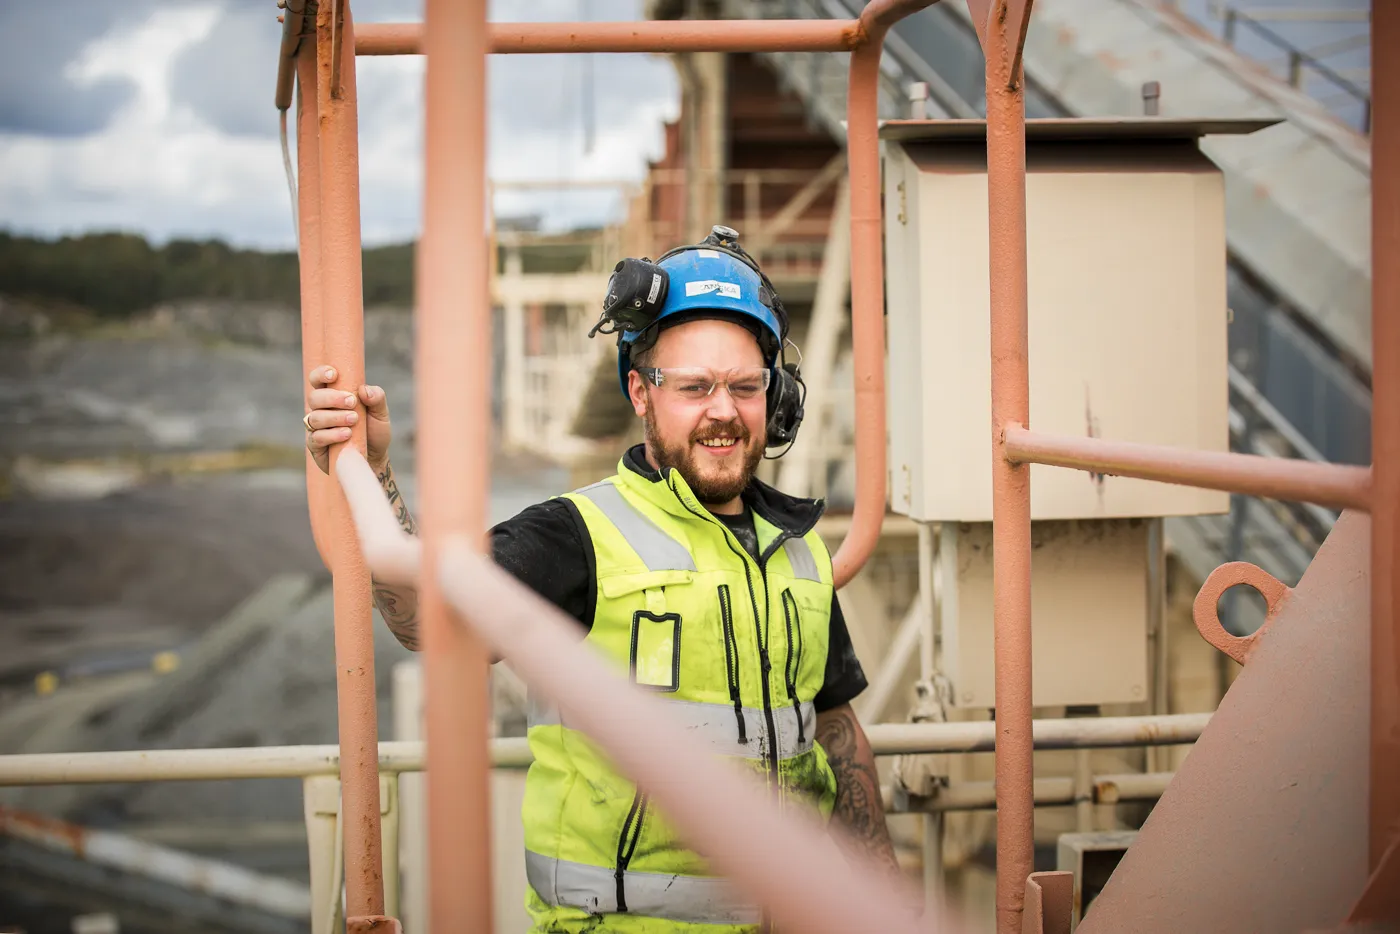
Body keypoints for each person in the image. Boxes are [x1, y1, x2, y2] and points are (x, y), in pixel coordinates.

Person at [303, 225, 898, 932]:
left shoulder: (798, 557)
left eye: (745, 386)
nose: (722, 411)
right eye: (693, 386)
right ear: (641, 393)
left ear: (776, 399)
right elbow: (423, 623)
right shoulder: (577, 535)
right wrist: (371, 472)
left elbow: (834, 731)